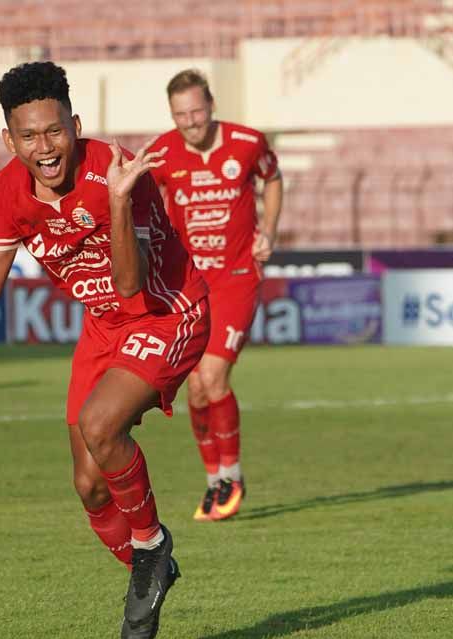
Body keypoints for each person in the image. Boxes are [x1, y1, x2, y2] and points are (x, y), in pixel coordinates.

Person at [0, 61, 209, 639]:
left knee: (100, 424)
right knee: (90, 487)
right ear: (9, 139)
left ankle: (151, 547)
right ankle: (151, 569)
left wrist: (118, 203)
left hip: (167, 310)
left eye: (54, 132)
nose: (44, 148)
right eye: (28, 136)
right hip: (103, 328)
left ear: (74, 124)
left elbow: (129, 285)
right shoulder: (5, 192)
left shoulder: (118, 172)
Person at [147, 69, 283, 521]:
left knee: (213, 376)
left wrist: (269, 231)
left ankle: (233, 475)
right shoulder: (161, 152)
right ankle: (212, 481)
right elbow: (144, 196)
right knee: (196, 390)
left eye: (198, 112)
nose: (191, 122)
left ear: (212, 106)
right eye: (181, 115)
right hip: (188, 282)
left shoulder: (247, 142)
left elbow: (274, 178)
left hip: (237, 275)